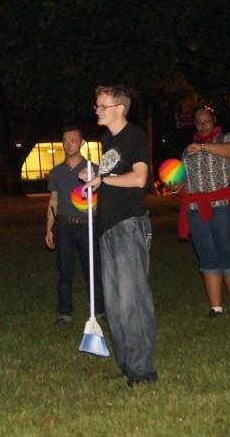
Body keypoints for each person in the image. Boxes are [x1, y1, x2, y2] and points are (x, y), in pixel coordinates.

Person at [80, 85, 157, 387]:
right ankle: (127, 366)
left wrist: (104, 179)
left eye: (101, 105)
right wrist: (95, 177)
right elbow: (112, 176)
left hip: (128, 225)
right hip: (107, 226)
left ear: (119, 108)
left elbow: (139, 178)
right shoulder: (108, 139)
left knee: (132, 301)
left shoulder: (135, 136)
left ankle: (143, 372)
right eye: (96, 105)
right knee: (113, 303)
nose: (96, 110)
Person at [178, 106, 230, 317]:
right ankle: (216, 308)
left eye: (206, 121)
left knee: (228, 252)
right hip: (196, 209)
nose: (202, 125)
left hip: (222, 207)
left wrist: (203, 146)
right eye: (198, 122)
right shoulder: (187, 150)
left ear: (214, 120)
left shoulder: (227, 138)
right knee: (207, 256)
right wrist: (174, 185)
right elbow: (182, 181)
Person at [44, 126, 105, 324]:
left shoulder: (93, 169)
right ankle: (64, 312)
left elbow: (103, 199)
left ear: (82, 143)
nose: (69, 144)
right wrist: (49, 229)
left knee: (93, 270)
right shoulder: (56, 172)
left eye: (73, 140)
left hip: (88, 226)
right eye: (65, 140)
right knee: (65, 271)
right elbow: (53, 201)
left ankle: (99, 311)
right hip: (64, 227)